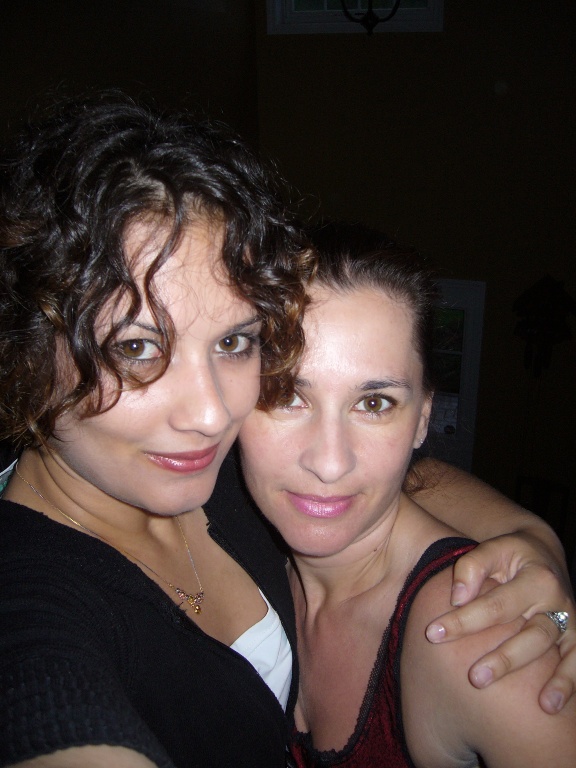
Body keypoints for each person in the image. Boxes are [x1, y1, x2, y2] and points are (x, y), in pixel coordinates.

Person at [0, 96, 573, 768]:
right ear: (25, 348)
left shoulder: (204, 468)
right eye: (136, 348)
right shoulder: (32, 597)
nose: (212, 415)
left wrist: (531, 538)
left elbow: (402, 477)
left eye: (233, 341)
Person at [237, 222, 576, 767]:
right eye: (286, 395)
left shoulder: (479, 646)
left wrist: (558, 617)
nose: (329, 462)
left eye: (374, 404)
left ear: (422, 420)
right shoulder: (237, 537)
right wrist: (540, 536)